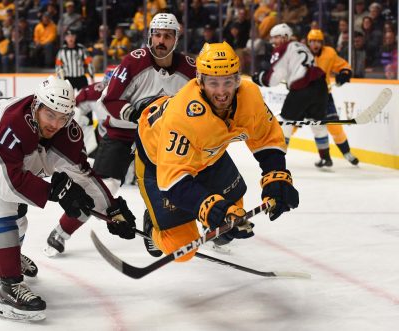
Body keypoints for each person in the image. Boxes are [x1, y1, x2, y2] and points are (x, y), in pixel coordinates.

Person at [0, 75, 136, 322]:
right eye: (50, 115)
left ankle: (10, 254)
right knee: (0, 200)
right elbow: (7, 182)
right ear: (35, 107)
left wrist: (112, 210)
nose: (55, 124)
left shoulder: (66, 131)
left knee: (19, 215)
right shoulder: (14, 123)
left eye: (63, 118)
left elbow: (83, 175)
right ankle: (9, 289)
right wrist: (53, 191)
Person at [44, 13, 196, 257]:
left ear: (176, 39)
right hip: (123, 135)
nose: (161, 41)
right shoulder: (134, 62)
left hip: (161, 138)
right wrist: (135, 114)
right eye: (157, 34)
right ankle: (61, 231)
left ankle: (202, 228)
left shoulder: (190, 68)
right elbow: (110, 98)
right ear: (149, 36)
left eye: (167, 36)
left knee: (172, 184)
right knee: (103, 188)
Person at [135, 41, 299, 261]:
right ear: (200, 81)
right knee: (182, 250)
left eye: (228, 81)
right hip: (159, 163)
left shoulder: (249, 95)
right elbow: (172, 179)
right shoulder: (182, 117)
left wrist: (275, 178)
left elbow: (266, 136)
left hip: (210, 155)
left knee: (233, 212)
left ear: (237, 79)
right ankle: (152, 229)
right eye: (213, 82)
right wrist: (212, 209)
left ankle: (213, 227)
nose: (222, 92)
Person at [252, 23, 330, 168]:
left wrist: (261, 78)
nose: (273, 41)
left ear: (284, 37)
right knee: (317, 123)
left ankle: (277, 158)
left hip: (302, 88)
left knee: (285, 121)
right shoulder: (301, 46)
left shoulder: (282, 48)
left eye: (275, 38)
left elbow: (275, 78)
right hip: (320, 86)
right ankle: (326, 157)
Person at [306, 29, 359, 166]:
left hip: (325, 96)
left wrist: (344, 73)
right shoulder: (301, 55)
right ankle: (325, 157)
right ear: (308, 42)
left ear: (322, 42)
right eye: (313, 41)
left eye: (318, 41)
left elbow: (343, 66)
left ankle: (346, 153)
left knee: (334, 126)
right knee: (302, 126)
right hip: (304, 98)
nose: (316, 44)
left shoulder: (329, 53)